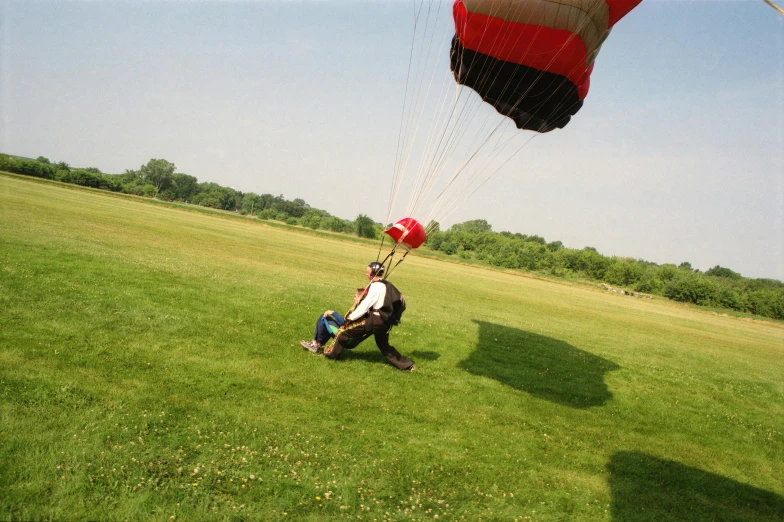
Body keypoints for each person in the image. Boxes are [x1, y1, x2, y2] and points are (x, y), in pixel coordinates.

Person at [320, 261, 415, 371]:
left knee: (343, 333)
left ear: (373, 273)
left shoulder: (376, 287)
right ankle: (408, 365)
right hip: (385, 323)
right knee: (384, 346)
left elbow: (365, 306)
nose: (366, 274)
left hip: (375, 321)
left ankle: (330, 355)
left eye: (368, 272)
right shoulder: (385, 285)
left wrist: (350, 317)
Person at [299, 288, 364, 352]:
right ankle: (317, 344)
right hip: (348, 334)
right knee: (328, 321)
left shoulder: (358, 311)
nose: (354, 298)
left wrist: (333, 312)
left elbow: (345, 321)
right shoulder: (362, 310)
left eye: (355, 296)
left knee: (323, 318)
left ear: (360, 298)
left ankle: (316, 344)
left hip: (345, 335)